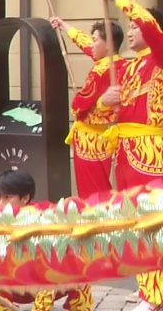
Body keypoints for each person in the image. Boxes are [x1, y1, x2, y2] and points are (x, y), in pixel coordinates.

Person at [96, 0, 163, 311]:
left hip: (149, 149)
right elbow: (106, 108)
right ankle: (146, 285)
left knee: (151, 218)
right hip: (125, 149)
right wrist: (105, 100)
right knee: (132, 219)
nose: (129, 32)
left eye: (134, 26)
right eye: (127, 28)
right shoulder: (127, 67)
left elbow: (149, 24)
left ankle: (158, 294)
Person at [49, 17, 125, 204]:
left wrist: (90, 102)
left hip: (89, 140)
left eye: (96, 40)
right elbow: (85, 44)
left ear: (108, 45)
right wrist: (65, 27)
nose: (92, 44)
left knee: (91, 189)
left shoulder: (99, 71)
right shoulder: (122, 64)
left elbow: (77, 106)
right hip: (105, 138)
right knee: (101, 183)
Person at [0, 169, 67, 311]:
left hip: (47, 283)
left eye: (8, 197)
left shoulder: (45, 216)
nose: (1, 204)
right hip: (13, 286)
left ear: (25, 198)